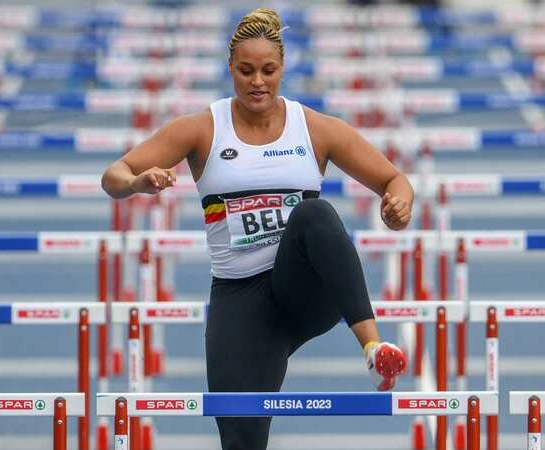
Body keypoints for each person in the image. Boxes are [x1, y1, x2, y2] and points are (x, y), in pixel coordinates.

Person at [101, 8, 412, 449]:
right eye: (246, 71)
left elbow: (395, 180)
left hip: (301, 290)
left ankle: (373, 349)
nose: (257, 82)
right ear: (230, 68)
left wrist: (399, 205)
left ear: (284, 68)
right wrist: (135, 182)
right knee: (242, 439)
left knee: (314, 215)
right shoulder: (202, 129)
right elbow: (112, 174)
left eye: (268, 70)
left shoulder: (314, 129)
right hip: (239, 299)